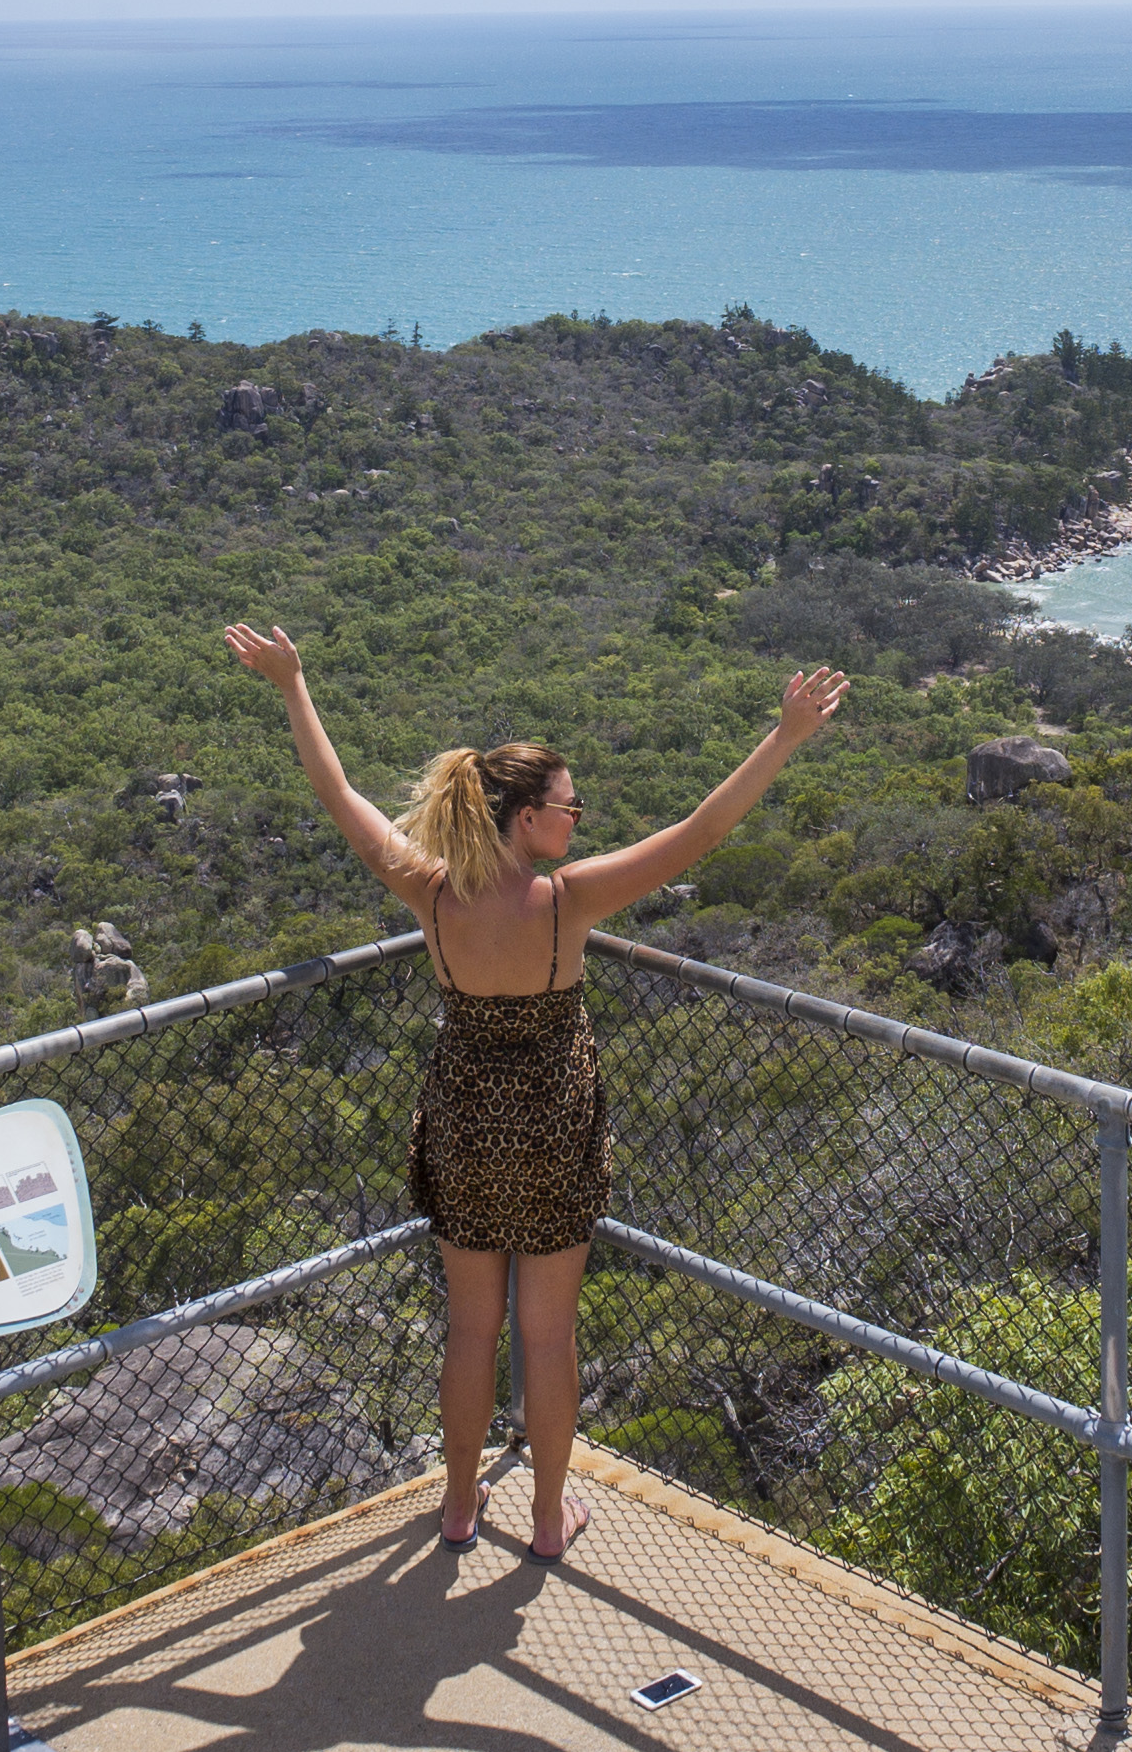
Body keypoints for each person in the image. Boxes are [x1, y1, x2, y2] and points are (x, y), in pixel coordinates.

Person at [227, 624, 846, 1561]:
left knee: (471, 1329)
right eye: (568, 806)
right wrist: (787, 736)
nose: (577, 818)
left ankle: (460, 1506)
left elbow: (339, 794)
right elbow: (703, 832)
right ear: (525, 819)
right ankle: (550, 1517)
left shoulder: (428, 890)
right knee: (547, 1336)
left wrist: (292, 685)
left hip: (465, 1122)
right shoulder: (567, 900)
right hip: (554, 1123)